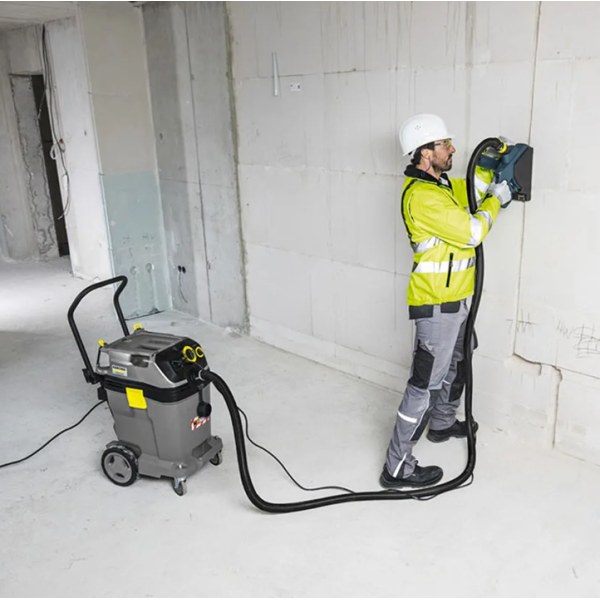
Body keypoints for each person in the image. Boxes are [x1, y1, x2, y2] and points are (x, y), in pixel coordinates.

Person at [380, 114, 512, 489]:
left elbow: (473, 188)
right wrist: (497, 201)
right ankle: (397, 467)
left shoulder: (441, 186)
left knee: (460, 359)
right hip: (437, 306)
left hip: (456, 300)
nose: (453, 149)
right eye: (444, 144)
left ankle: (442, 422)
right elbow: (472, 232)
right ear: (425, 152)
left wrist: (489, 161)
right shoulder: (423, 197)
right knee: (423, 384)